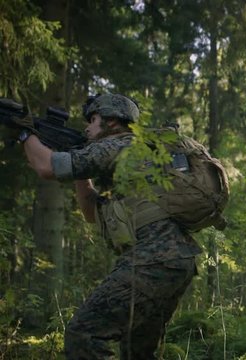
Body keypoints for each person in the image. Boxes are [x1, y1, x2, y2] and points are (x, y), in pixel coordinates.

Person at [14, 93, 201, 359]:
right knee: (136, 351)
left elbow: (45, 166)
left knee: (83, 334)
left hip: (152, 259)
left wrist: (24, 133)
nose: (87, 127)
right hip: (176, 261)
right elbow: (91, 212)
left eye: (93, 119)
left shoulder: (117, 144)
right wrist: (80, 167)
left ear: (112, 122)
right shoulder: (135, 153)